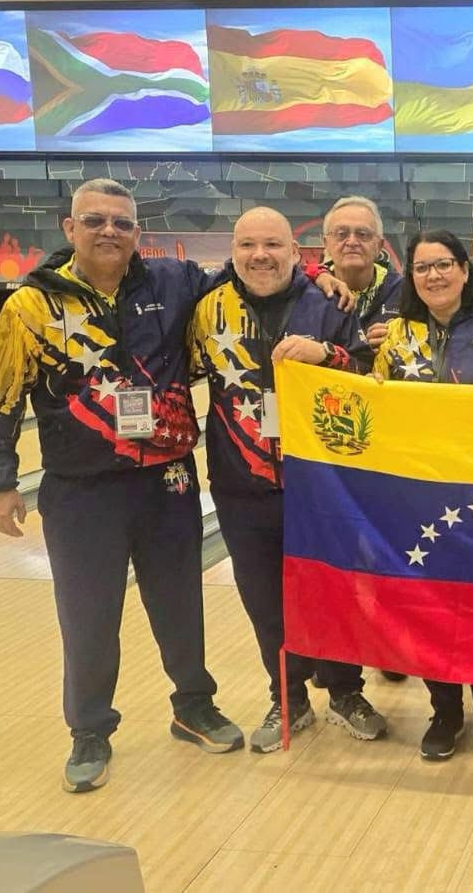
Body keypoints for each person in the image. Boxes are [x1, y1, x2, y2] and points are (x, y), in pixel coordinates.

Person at [0, 178, 243, 793]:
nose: (109, 232)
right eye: (94, 221)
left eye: (121, 223)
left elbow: (249, 283)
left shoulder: (172, 284)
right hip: (81, 489)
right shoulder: (31, 306)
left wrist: (326, 281)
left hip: (166, 480)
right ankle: (90, 730)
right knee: (88, 615)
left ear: (137, 234)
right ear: (70, 229)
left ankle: (193, 706)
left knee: (179, 603)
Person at [188, 206, 386, 754]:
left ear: (296, 253)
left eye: (273, 244)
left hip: (320, 484)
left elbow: (371, 368)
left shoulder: (329, 302)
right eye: (248, 245)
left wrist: (329, 352)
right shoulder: (207, 309)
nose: (260, 255)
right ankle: (288, 697)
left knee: (335, 592)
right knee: (264, 600)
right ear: (232, 252)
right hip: (240, 484)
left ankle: (346, 692)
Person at [372, 229, 473, 761]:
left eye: (443, 264)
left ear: (464, 269)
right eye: (421, 267)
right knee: (429, 610)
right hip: (416, 497)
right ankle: (445, 711)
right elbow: (376, 409)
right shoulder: (396, 337)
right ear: (411, 277)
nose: (433, 275)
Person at [317, 195, 404, 351]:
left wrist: (398, 340)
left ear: (379, 245)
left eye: (362, 234)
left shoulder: (405, 292)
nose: (352, 242)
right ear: (326, 244)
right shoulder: (308, 291)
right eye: (341, 234)